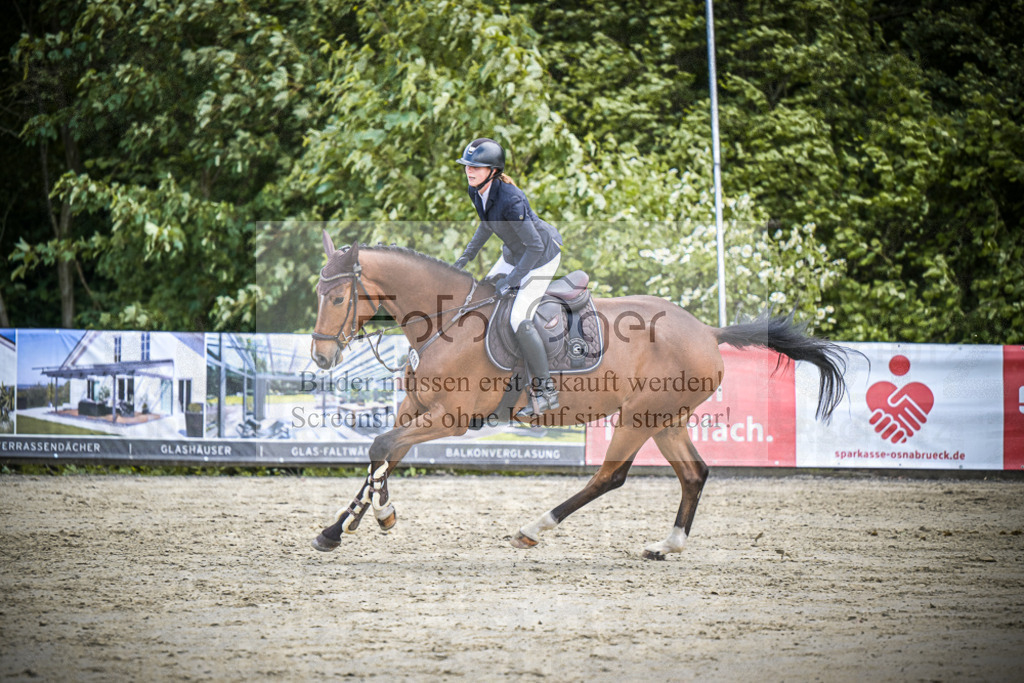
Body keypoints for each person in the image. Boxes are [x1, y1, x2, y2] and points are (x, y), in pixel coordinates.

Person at [453, 137, 563, 417]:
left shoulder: (511, 199)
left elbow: (534, 247)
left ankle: (546, 390)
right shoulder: (475, 190)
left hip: (541, 257)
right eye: (467, 165)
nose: (469, 170)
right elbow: (486, 225)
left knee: (518, 318)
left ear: (493, 171)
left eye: (476, 167)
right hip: (515, 253)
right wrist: (466, 256)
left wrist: (511, 281)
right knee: (480, 298)